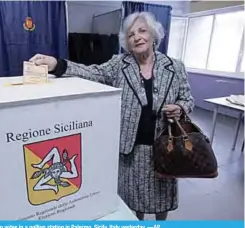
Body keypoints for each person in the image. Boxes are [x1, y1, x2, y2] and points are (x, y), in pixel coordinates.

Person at [29, 12, 194, 220]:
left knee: (162, 198)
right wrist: (57, 64)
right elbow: (91, 72)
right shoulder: (119, 64)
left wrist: (180, 107)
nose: (137, 37)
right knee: (134, 199)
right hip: (130, 149)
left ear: (154, 35)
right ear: (126, 41)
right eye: (131, 34)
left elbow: (188, 98)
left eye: (142, 31)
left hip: (165, 146)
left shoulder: (175, 66)